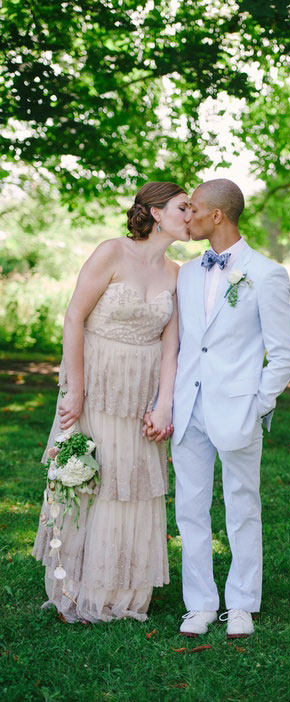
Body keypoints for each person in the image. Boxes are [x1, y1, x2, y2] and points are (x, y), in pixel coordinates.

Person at [149, 178, 290, 638]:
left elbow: (285, 352)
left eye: (192, 208)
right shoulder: (187, 274)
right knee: (190, 508)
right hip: (189, 407)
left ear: (217, 215)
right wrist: (170, 403)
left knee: (242, 505)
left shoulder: (266, 274)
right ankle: (199, 603)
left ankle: (241, 604)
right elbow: (184, 345)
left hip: (238, 410)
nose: (186, 215)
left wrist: (257, 404)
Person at [33, 182, 188, 623]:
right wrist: (75, 389)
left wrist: (164, 405)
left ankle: (124, 590)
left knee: (134, 483)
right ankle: (79, 588)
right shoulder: (111, 253)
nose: (190, 215)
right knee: (94, 480)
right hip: (98, 381)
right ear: (156, 213)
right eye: (183, 207)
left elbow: (171, 345)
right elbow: (74, 317)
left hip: (143, 390)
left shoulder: (177, 273)